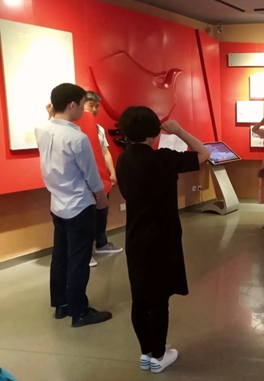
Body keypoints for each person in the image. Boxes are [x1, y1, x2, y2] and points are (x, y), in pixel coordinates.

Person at [116, 106, 211, 373]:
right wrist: (179, 130)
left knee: (140, 298)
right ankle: (159, 355)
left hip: (135, 236)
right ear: (155, 132)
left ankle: (146, 352)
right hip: (162, 237)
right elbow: (204, 153)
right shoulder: (164, 158)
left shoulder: (123, 160)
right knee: (159, 300)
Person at [35, 83, 112, 328]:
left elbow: (51, 127)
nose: (83, 110)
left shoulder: (41, 129)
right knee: (79, 259)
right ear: (72, 105)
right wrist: (101, 198)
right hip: (79, 204)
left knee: (60, 256)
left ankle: (61, 305)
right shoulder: (77, 138)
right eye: (81, 104)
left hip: (57, 203)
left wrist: (51, 115)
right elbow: (91, 174)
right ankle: (80, 311)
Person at [83, 91, 123, 267]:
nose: (94, 109)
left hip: (101, 177)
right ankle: (85, 253)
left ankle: (102, 243)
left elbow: (105, 152)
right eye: (90, 105)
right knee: (86, 216)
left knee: (102, 212)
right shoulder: (75, 127)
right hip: (84, 179)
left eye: (96, 106)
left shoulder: (98, 128)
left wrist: (112, 172)